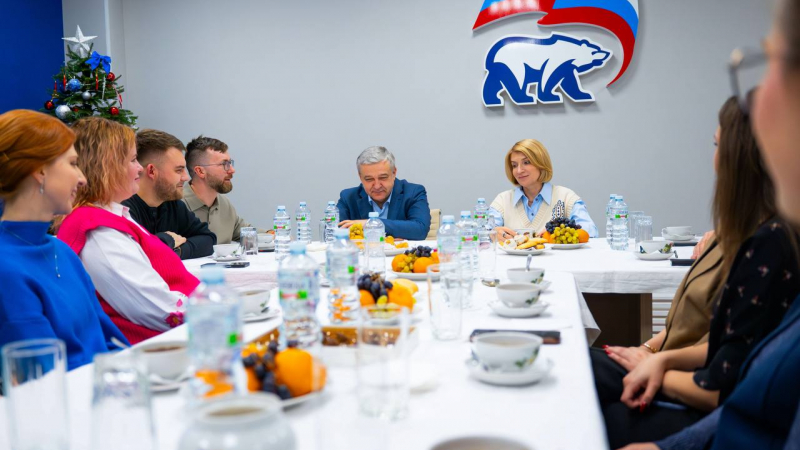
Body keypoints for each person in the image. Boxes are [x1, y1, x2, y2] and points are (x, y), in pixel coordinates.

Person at [621, 1, 800, 448]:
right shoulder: (751, 234)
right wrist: (656, 356)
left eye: (773, 61)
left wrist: (656, 365)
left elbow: (729, 391)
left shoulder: (770, 243)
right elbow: (740, 373)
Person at [592, 96, 766, 408]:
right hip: (664, 367)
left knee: (575, 371)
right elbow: (689, 328)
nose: (714, 158)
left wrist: (654, 363)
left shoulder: (765, 246)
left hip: (679, 387)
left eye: (718, 146)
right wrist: (647, 349)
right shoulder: (730, 232)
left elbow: (723, 375)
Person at [0, 110, 128, 370]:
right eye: (72, 163)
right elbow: (43, 376)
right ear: (39, 171)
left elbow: (111, 341)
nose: (82, 178)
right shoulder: (6, 268)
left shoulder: (62, 250)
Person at [57, 118, 200, 345]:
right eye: (133, 160)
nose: (140, 168)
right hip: (161, 349)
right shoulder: (98, 230)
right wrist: (217, 311)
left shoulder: (112, 215)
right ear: (107, 166)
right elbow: (161, 310)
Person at [122, 129, 216, 259]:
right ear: (152, 171)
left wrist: (176, 251)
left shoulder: (173, 205)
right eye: (179, 170)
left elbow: (208, 239)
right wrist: (167, 240)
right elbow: (135, 254)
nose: (186, 177)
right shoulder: (124, 209)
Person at [489, 139, 598, 239]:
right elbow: (484, 232)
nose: (519, 170)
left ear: (541, 164)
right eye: (514, 165)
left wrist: (561, 231)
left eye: (526, 162)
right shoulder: (502, 200)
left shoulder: (566, 197)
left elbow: (591, 233)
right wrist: (492, 233)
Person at [182, 135, 268, 244]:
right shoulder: (174, 207)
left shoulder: (224, 204)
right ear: (200, 171)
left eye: (230, 163)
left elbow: (245, 232)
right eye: (224, 164)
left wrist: (273, 234)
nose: (232, 170)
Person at [336, 146, 431, 240]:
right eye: (369, 179)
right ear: (360, 177)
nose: (377, 186)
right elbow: (335, 231)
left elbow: (420, 229)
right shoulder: (348, 197)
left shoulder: (414, 192)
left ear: (394, 173)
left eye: (383, 178)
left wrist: (369, 224)